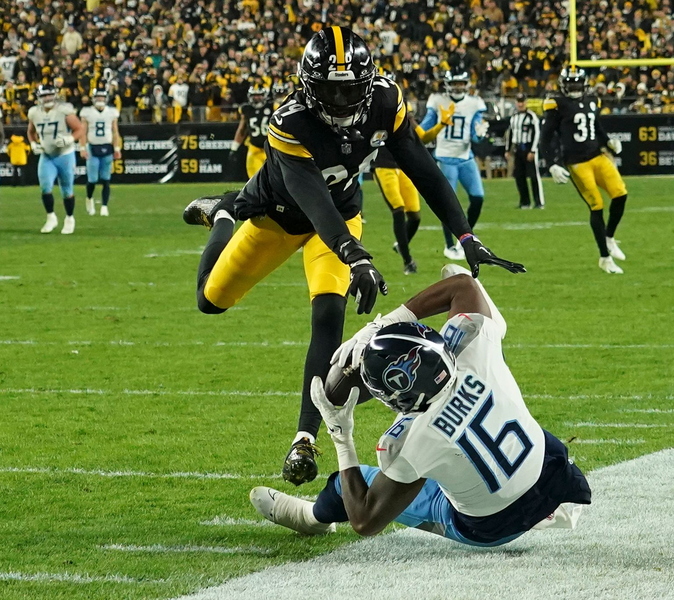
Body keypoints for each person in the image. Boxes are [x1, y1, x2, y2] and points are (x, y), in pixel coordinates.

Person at [182, 27, 524, 487]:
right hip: (279, 217)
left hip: (341, 217)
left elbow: (420, 166)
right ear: (308, 86)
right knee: (211, 300)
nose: (342, 100)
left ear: (368, 82)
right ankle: (223, 212)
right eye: (330, 89)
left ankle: (304, 438)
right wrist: (356, 254)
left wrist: (465, 235)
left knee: (329, 315)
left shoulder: (385, 100)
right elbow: (310, 199)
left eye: (350, 88)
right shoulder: (290, 121)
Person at [251, 265, 591, 545]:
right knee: (471, 301)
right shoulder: (473, 345)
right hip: (552, 471)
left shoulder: (412, 440)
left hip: (494, 524)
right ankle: (542, 504)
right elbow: (462, 284)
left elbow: (365, 520)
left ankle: (312, 518)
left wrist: (342, 437)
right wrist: (381, 325)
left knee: (350, 486)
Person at [540, 67, 628, 275]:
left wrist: (608, 142)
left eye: (577, 84)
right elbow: (546, 136)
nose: (574, 88)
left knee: (620, 194)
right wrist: (552, 163)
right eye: (570, 84)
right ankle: (605, 258)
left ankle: (609, 237)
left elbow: (596, 127)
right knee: (596, 205)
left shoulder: (591, 100)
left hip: (597, 155)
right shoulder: (556, 103)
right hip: (576, 162)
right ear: (563, 85)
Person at [373, 71, 453, 275]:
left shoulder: (403, 112)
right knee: (398, 210)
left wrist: (442, 125)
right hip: (383, 166)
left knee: (415, 216)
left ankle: (402, 245)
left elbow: (423, 138)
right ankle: (408, 261)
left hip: (401, 168)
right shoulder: (371, 112)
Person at [420, 70, 489, 261]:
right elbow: (425, 126)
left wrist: (480, 133)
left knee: (478, 198)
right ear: (448, 84)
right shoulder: (437, 100)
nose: (458, 87)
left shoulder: (474, 103)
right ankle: (449, 244)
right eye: (455, 83)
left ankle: (464, 237)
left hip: (466, 157)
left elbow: (475, 133)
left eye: (461, 83)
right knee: (448, 203)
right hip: (445, 157)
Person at [27, 84, 84, 234]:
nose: (47, 98)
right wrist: (33, 143)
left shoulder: (64, 111)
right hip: (47, 155)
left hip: (65, 154)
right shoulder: (34, 113)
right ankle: (51, 217)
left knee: (67, 190)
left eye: (49, 95)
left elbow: (80, 128)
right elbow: (31, 131)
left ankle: (69, 218)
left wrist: (69, 139)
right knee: (45, 187)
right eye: (44, 95)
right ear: (39, 97)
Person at [79, 88, 122, 216]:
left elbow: (115, 132)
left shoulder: (111, 112)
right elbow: (83, 132)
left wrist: (117, 148)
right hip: (92, 147)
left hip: (107, 147)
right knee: (92, 180)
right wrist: (82, 148)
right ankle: (89, 198)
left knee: (105, 179)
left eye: (102, 97)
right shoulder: (87, 113)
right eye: (97, 97)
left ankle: (104, 206)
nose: (100, 100)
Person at [505, 94, 544, 209]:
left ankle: (538, 202)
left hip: (528, 148)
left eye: (522, 101)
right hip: (517, 149)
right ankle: (524, 202)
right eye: (518, 101)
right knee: (519, 176)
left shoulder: (532, 116)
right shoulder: (514, 117)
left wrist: (532, 150)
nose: (520, 104)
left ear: (526, 102)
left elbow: (537, 134)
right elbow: (510, 134)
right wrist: (508, 150)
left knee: (533, 176)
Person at [230, 84, 272, 179]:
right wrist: (234, 148)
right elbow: (242, 129)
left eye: (259, 95)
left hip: (271, 150)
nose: (257, 98)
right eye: (254, 95)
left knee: (273, 180)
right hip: (254, 149)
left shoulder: (273, 107)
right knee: (255, 181)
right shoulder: (246, 109)